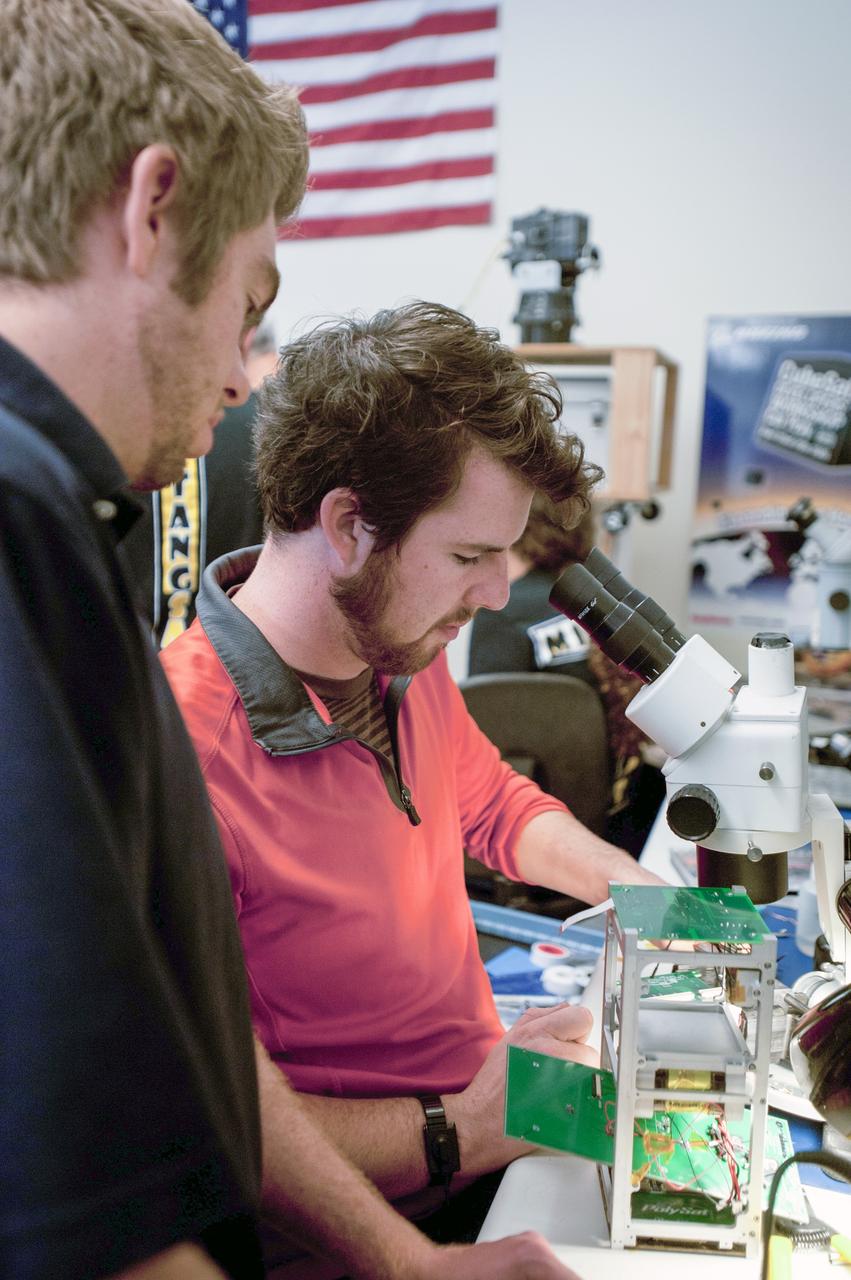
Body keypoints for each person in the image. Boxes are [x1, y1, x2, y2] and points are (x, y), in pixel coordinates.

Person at [0, 4, 584, 1279]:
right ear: (155, 206)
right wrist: (445, 1154)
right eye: (248, 303)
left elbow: (174, 1044)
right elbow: (91, 1176)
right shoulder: (26, 524)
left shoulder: (72, 522)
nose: (241, 374)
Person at [161, 302, 665, 1254]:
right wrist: (462, 1125)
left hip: (490, 1134)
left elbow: (488, 802)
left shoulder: (398, 651)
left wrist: (630, 890)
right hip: (369, 1231)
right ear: (349, 524)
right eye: (470, 557)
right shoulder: (183, 757)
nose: (491, 595)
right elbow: (209, 1126)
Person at [467, 495, 666, 857]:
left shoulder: (502, 611)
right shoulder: (602, 604)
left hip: (534, 824)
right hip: (624, 814)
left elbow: (482, 730)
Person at [120, 326, 275, 648]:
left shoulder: (113, 418)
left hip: (120, 677)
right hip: (226, 676)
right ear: (247, 337)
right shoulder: (268, 430)